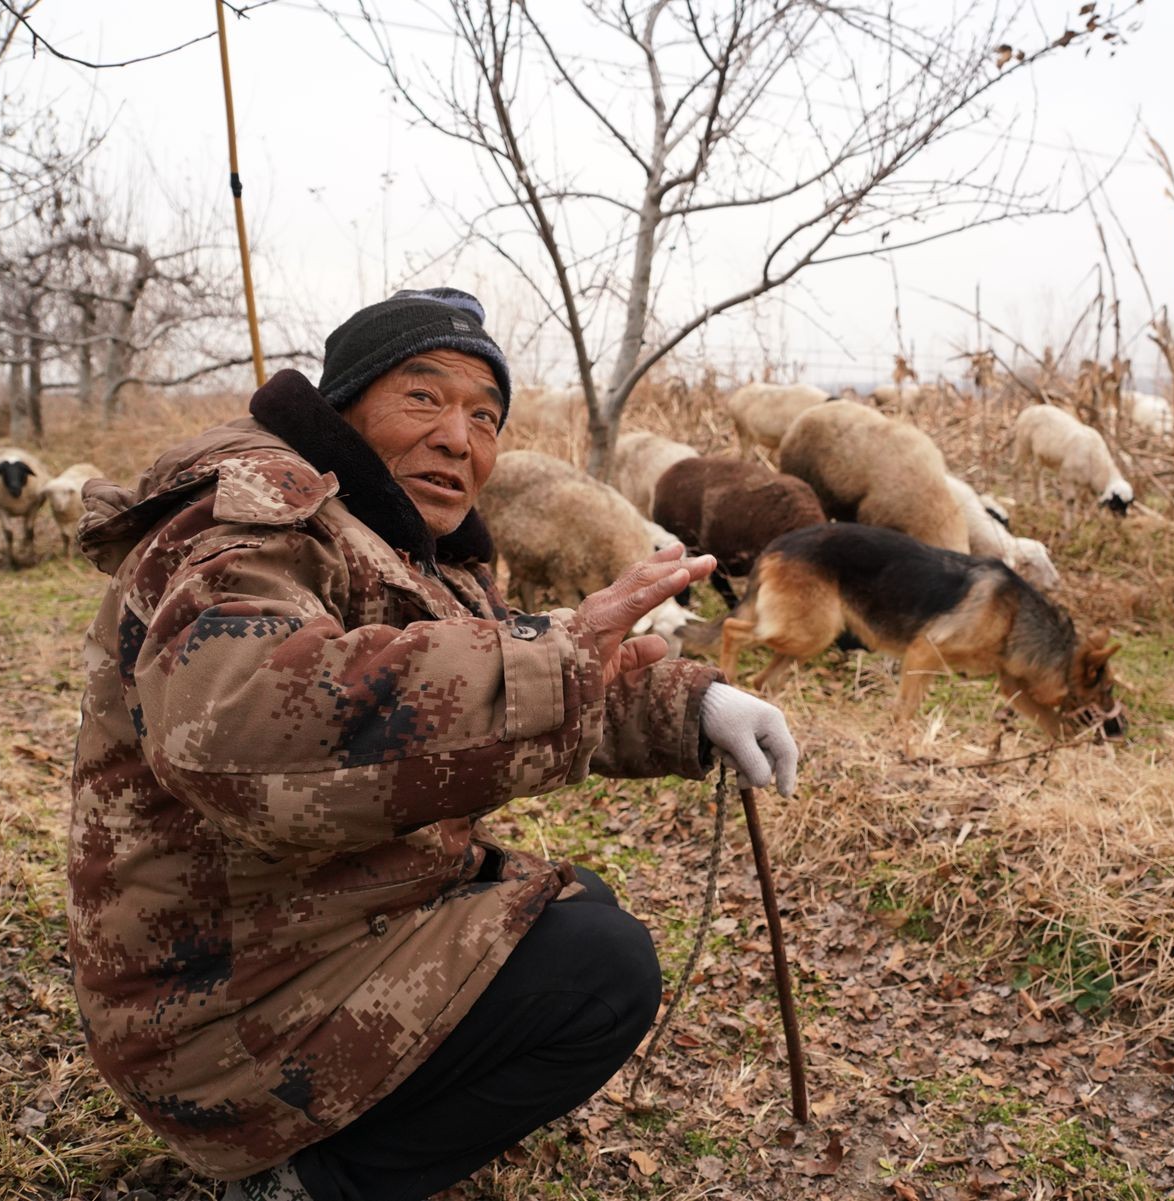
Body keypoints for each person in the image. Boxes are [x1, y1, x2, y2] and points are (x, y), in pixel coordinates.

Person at [66, 287, 798, 1201]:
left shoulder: (406, 549)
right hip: (208, 1008)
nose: (461, 438)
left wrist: (694, 705)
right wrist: (560, 659)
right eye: (425, 397)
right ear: (343, 404)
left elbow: (492, 671)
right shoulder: (242, 528)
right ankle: (308, 1182)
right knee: (599, 972)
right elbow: (241, 730)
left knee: (569, 913)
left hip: (284, 936)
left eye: (486, 416)